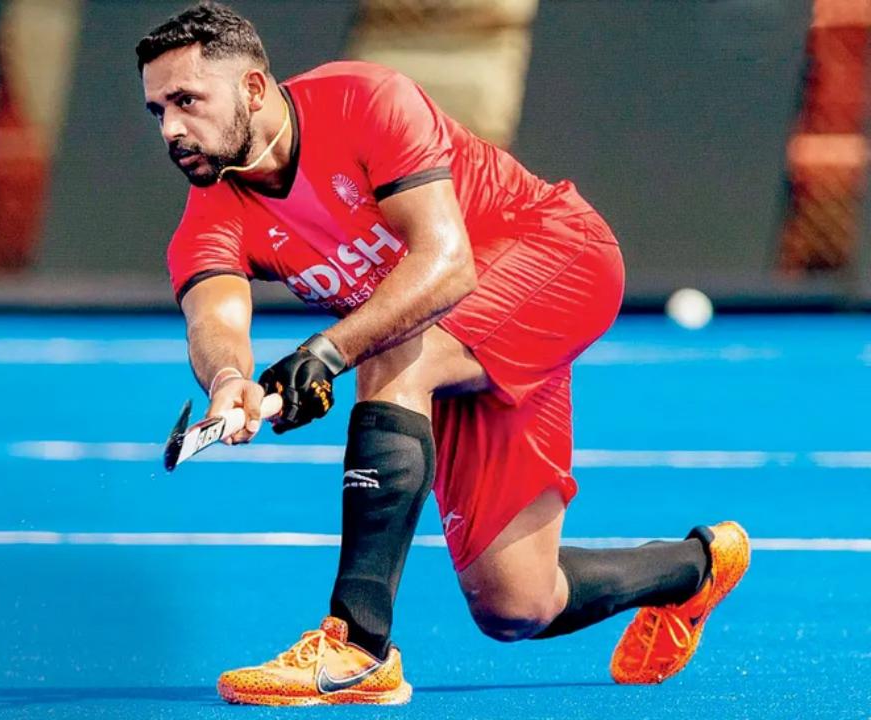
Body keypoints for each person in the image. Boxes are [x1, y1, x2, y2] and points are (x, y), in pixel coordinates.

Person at [136, 2, 750, 707]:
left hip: (557, 259)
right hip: (454, 338)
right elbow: (215, 315)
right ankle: (696, 569)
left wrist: (327, 352)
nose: (171, 129)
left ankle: (357, 648)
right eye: (158, 110)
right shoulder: (211, 210)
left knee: (387, 350)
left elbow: (447, 264)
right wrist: (229, 380)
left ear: (251, 88)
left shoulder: (363, 100)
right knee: (515, 604)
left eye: (186, 100)